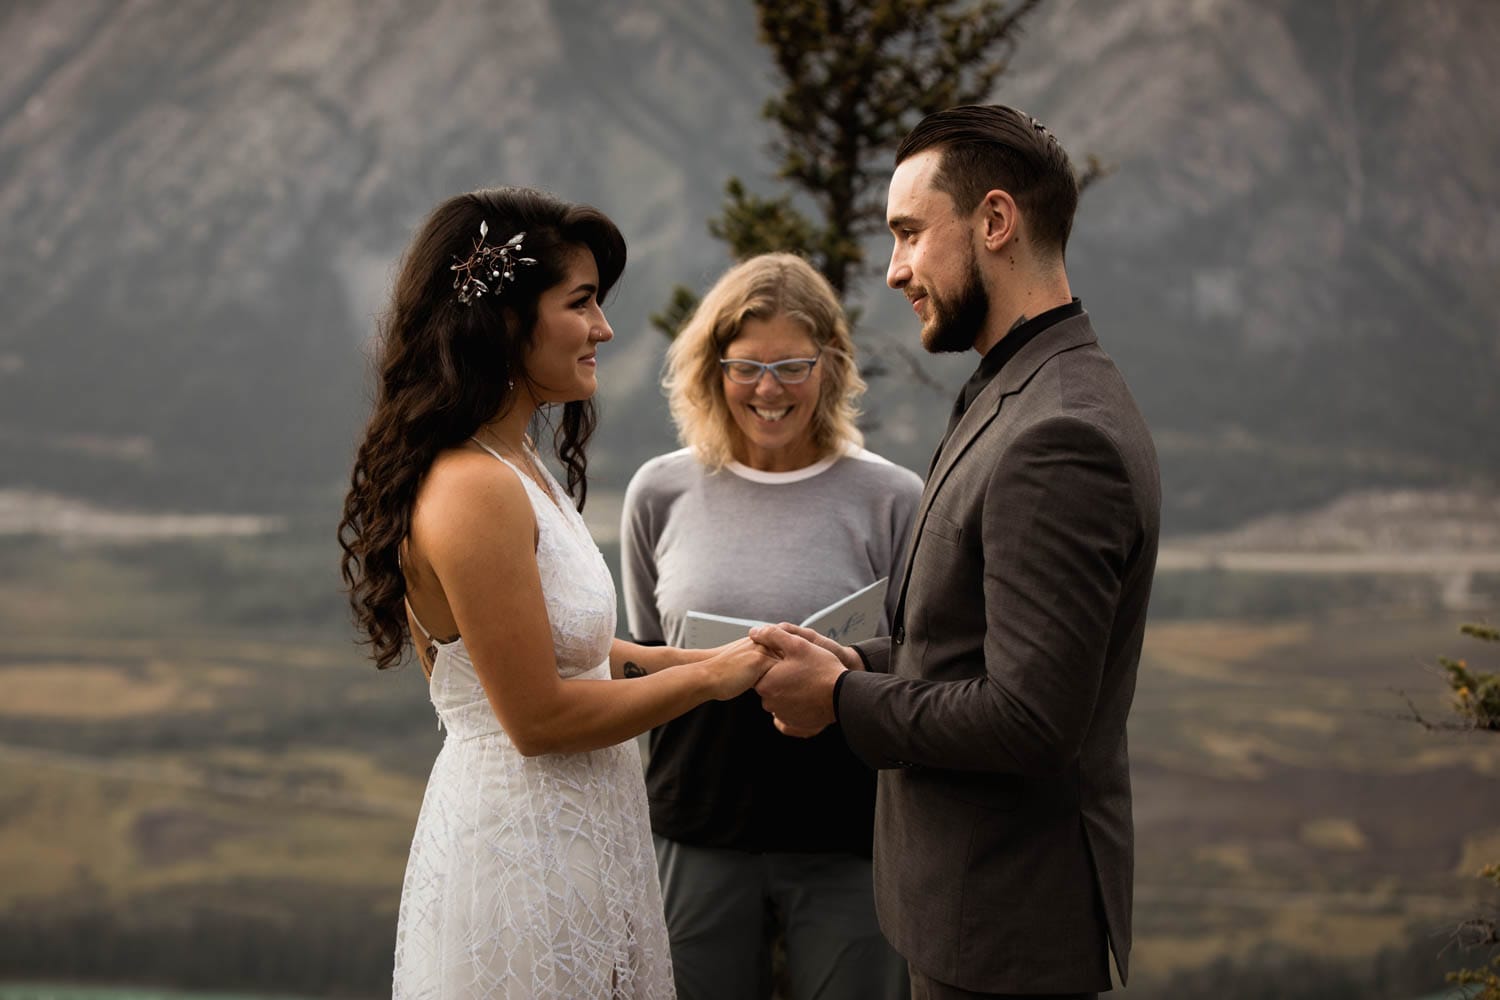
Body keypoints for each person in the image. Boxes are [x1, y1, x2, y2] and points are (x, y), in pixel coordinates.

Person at [752, 106, 1162, 999]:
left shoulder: (1058, 435)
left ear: (995, 221)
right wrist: (852, 658)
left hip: (1005, 933)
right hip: (964, 913)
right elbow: (968, 644)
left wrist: (843, 699)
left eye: (907, 233)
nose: (894, 269)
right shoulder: (1016, 389)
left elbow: (1031, 720)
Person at [337, 186, 774, 999]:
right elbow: (537, 719)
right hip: (520, 853)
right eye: (581, 303)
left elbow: (536, 634)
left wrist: (663, 656)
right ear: (503, 319)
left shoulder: (515, 464)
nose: (605, 329)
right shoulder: (473, 488)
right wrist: (711, 681)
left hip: (575, 837)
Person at [619, 252, 921, 1000]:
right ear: (712, 369)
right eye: (746, 366)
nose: (769, 389)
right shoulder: (659, 491)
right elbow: (636, 658)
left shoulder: (892, 498)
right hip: (696, 828)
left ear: (831, 365)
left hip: (848, 831)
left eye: (793, 365)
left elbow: (923, 662)